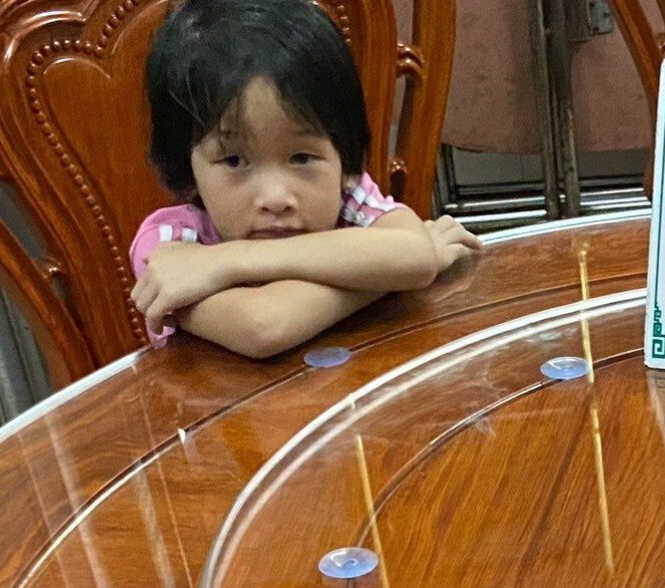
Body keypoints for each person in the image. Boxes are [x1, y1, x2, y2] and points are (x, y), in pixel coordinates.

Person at [131, 0, 482, 357]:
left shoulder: (347, 194)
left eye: (301, 157)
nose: (276, 198)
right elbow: (264, 326)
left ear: (344, 155)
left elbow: (414, 257)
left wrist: (226, 261)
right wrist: (384, 274)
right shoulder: (170, 247)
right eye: (234, 161)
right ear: (187, 166)